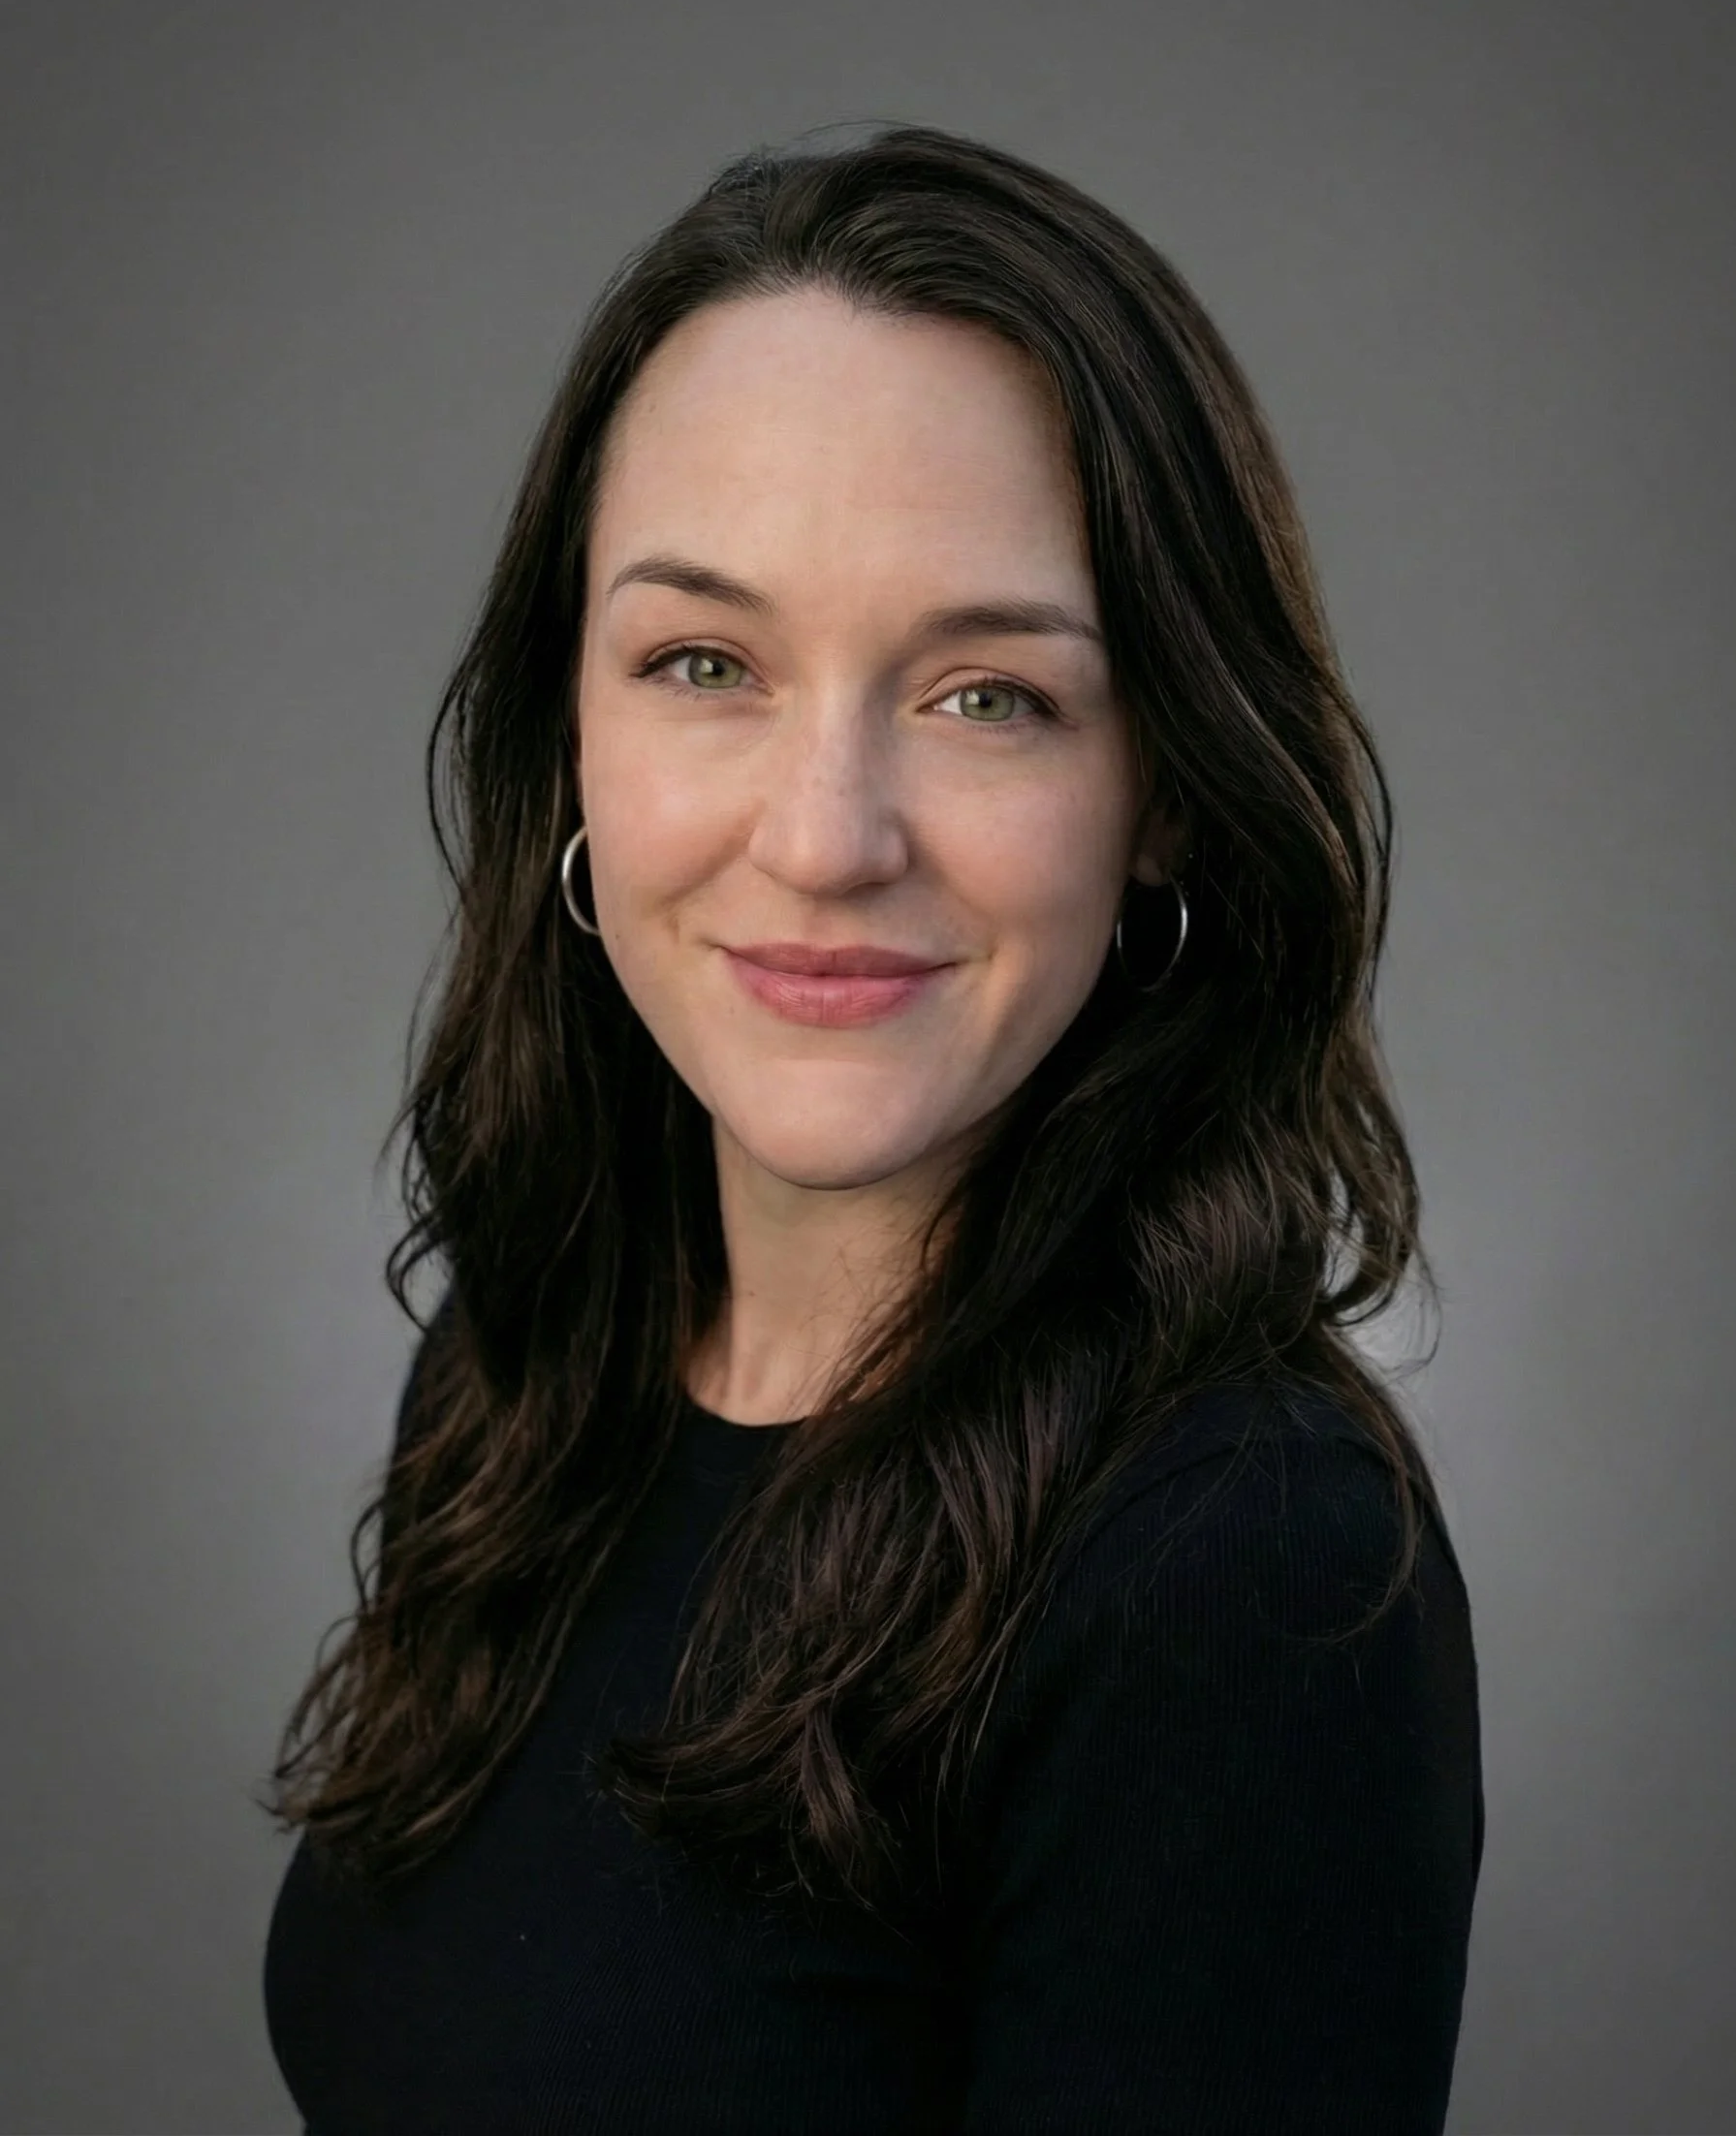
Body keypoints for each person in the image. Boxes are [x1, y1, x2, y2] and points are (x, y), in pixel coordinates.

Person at [260, 121, 1483, 2134]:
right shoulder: (529, 1375)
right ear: (569, 731)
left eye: (986, 694)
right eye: (703, 663)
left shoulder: (1244, 1568)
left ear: (1161, 786)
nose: (824, 838)